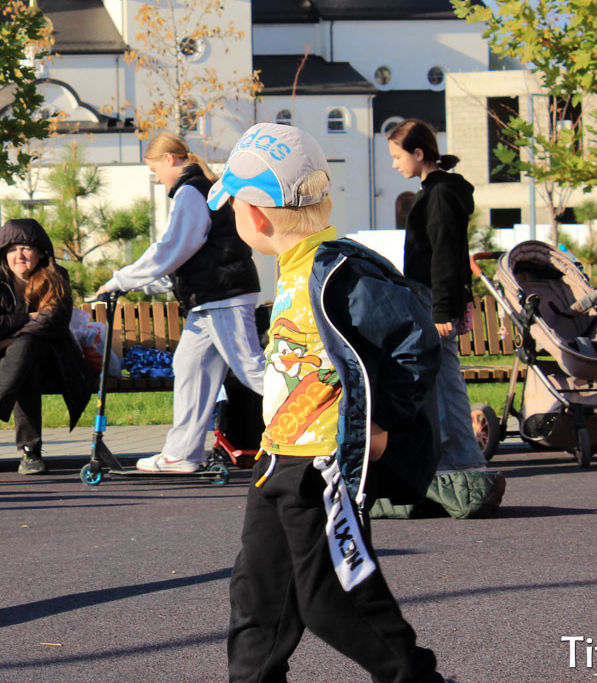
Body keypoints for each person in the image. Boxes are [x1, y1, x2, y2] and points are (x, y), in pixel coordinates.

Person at [214, 122, 455, 683]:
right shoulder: (295, 269)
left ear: (254, 216)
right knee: (258, 600)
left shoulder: (340, 271)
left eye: (234, 209)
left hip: (322, 466)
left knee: (335, 601)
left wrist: (384, 424)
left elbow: (417, 344)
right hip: (277, 460)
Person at [96, 134, 265, 473]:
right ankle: (182, 454)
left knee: (252, 371)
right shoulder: (200, 188)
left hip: (223, 297)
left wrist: (122, 279)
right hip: (211, 298)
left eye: (155, 168)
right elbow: (189, 257)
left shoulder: (191, 190)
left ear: (171, 159)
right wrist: (146, 283)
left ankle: (324, 425)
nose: (156, 177)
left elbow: (172, 248)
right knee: (189, 368)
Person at [389, 118, 504, 517]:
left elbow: (443, 255)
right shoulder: (441, 192)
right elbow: (453, 254)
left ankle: (458, 459)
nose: (394, 164)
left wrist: (441, 308)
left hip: (430, 297)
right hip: (434, 296)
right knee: (441, 377)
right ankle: (459, 457)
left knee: (442, 378)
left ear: (419, 153)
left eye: (397, 156)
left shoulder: (438, 195)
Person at [0, 219, 91, 475]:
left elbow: (55, 322)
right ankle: (30, 453)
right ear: (3, 252)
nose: (20, 255)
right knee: (27, 367)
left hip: (51, 358)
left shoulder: (56, 277)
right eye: (13, 249)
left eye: (26, 248)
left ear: (40, 251)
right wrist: (30, 316)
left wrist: (6, 340)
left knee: (26, 347)